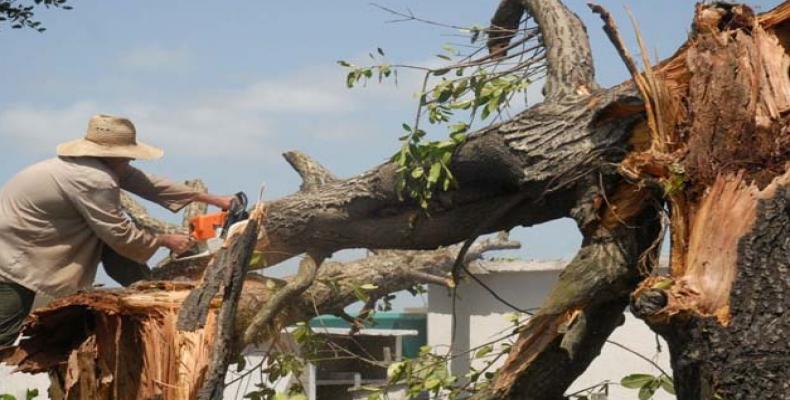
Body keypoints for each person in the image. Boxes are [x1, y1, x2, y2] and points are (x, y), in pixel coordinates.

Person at [0, 114, 236, 346]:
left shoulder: (95, 165)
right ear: (112, 154)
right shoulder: (93, 178)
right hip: (14, 256)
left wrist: (215, 200)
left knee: (112, 247)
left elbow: (149, 184)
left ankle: (150, 293)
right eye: (127, 156)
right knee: (4, 332)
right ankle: (152, 296)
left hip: (28, 243)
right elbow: (119, 234)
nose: (131, 161)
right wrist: (165, 240)